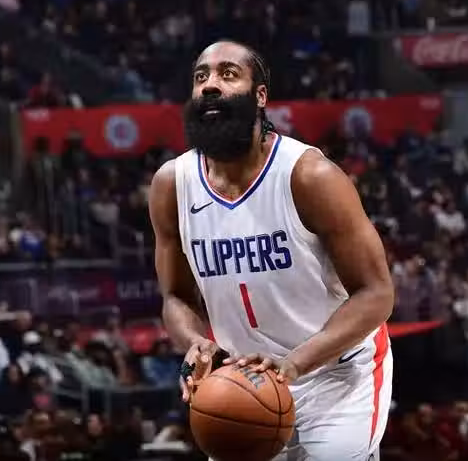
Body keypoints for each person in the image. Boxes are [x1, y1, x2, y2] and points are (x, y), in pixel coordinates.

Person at [148, 40, 394, 460]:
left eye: (228, 74)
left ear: (260, 96)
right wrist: (195, 342)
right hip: (246, 382)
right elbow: (175, 297)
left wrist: (295, 363)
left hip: (335, 374)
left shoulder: (310, 176)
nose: (210, 85)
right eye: (201, 77)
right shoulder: (172, 185)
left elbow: (377, 293)